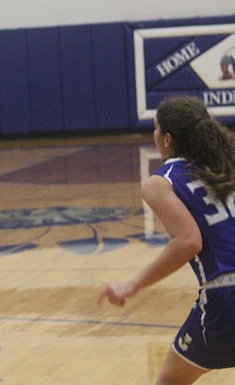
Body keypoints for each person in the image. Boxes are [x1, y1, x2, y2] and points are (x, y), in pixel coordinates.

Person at [98, 95, 235, 384]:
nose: (154, 134)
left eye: (156, 128)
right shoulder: (228, 167)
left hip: (226, 295)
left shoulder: (160, 182)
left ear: (167, 139)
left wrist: (131, 284)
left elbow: (188, 241)